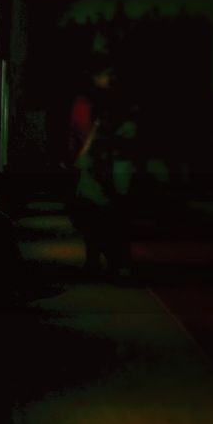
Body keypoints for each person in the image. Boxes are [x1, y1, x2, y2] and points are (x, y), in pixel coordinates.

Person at [67, 59, 137, 279]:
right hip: (103, 163)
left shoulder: (86, 102)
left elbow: (82, 133)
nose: (110, 79)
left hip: (96, 163)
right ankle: (115, 262)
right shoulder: (104, 102)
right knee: (110, 214)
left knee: (97, 214)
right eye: (107, 74)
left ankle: (99, 261)